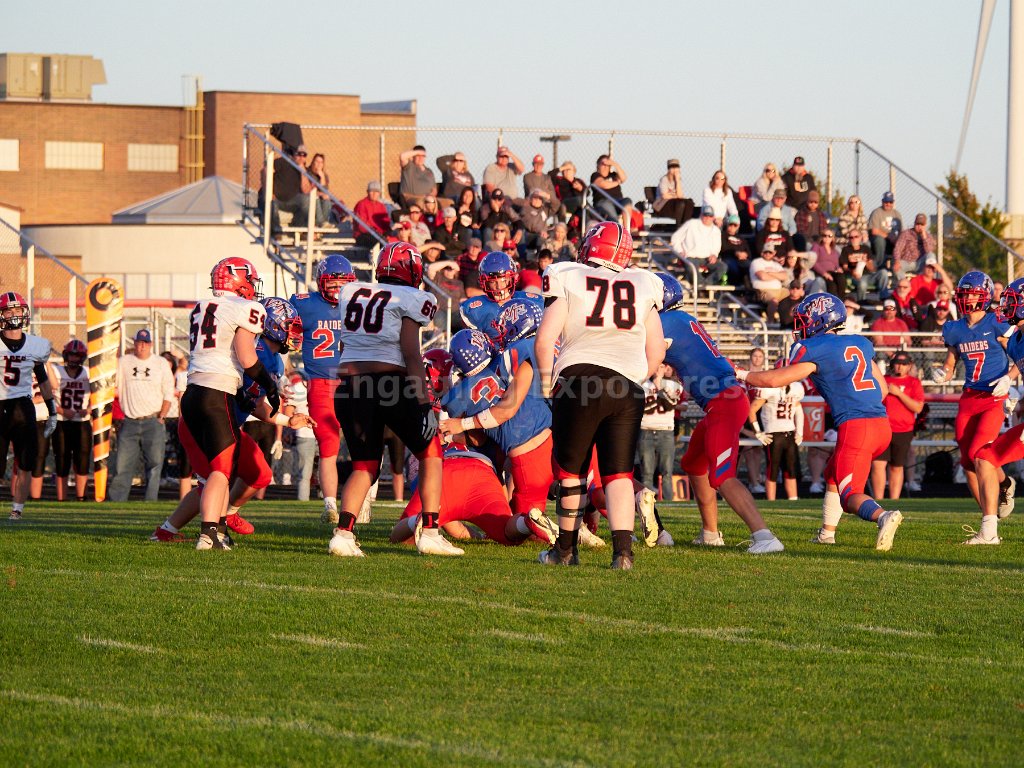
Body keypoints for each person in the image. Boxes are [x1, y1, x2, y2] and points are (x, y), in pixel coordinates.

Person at [535, 223, 665, 569]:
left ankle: (564, 551)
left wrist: (548, 386)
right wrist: (634, 377)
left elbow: (545, 340)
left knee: (571, 472)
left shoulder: (566, 274)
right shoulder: (644, 282)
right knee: (618, 473)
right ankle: (623, 554)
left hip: (579, 380)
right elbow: (657, 351)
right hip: (627, 386)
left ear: (591, 247)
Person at [739, 293, 904, 550]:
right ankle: (826, 534)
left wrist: (739, 373)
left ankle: (882, 516)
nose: (800, 327)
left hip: (856, 427)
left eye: (804, 321)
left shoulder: (816, 350)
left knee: (850, 496)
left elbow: (773, 380)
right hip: (881, 424)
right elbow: (882, 389)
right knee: (832, 474)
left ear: (820, 321)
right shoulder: (859, 343)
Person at [330, 241, 457, 557]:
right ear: (412, 270)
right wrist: (424, 402)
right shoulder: (412, 297)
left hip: (349, 386)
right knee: (431, 452)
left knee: (364, 465)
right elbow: (411, 353)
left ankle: (343, 535)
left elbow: (345, 346)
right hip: (389, 383)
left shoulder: (351, 292)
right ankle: (430, 532)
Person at [648, 275, 784, 551]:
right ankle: (710, 533)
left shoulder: (665, 322)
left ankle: (765, 537)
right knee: (694, 464)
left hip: (725, 401)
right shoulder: (681, 319)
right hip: (721, 402)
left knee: (722, 476)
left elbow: (647, 357)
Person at [177, 257, 277, 550]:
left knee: (216, 472)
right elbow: (247, 358)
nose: (253, 287)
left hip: (192, 393)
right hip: (217, 391)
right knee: (221, 471)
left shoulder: (201, 306)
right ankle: (208, 534)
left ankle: (218, 531)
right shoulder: (245, 307)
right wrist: (270, 385)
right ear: (240, 281)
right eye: (250, 281)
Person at [441, 303, 556, 519]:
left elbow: (500, 417)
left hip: (527, 454)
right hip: (557, 431)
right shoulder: (525, 353)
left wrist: (458, 427)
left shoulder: (460, 396)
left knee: (523, 520)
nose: (500, 333)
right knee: (585, 485)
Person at [932, 271, 1017, 524]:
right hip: (969, 397)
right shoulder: (954, 328)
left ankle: (997, 503)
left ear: (984, 296)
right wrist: (943, 373)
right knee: (967, 461)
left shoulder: (997, 322)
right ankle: (991, 511)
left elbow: (1021, 357)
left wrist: (1009, 379)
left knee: (979, 453)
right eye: (963, 294)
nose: (966, 299)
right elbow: (950, 363)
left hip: (993, 396)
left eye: (971, 294)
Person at [290, 255, 355, 524]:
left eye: (343, 284)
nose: (338, 289)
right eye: (333, 284)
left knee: (353, 446)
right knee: (330, 448)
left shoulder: (304, 304)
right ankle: (331, 505)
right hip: (329, 384)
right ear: (321, 282)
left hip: (348, 383)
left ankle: (349, 502)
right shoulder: (304, 303)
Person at [971, 277, 1024, 543]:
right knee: (984, 458)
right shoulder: (1015, 341)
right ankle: (988, 532)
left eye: (1011, 301)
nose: (1005, 306)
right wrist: (1014, 386)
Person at [0, 292, 56, 520]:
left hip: (23, 407)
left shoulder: (34, 344)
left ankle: (17, 511)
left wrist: (52, 411)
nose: (14, 314)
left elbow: (43, 379)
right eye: (9, 310)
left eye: (17, 310)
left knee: (25, 462)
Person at [109, 328, 174, 502]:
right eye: (139, 342)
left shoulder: (160, 363)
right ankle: (117, 502)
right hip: (130, 421)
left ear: (151, 344)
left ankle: (150, 501)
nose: (142, 346)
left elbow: (168, 391)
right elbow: (113, 382)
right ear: (134, 343)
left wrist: (162, 415)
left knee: (154, 465)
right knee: (123, 465)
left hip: (153, 420)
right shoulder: (124, 362)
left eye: (145, 343)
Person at [870, 351, 924, 501]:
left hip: (903, 430)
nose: (900, 367)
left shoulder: (914, 382)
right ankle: (878, 500)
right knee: (878, 464)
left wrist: (899, 393)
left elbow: (918, 407)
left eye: (904, 364)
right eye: (897, 364)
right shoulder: (884, 380)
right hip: (882, 429)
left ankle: (894, 500)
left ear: (909, 366)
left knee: (897, 466)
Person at [749, 365, 805, 501]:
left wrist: (800, 432)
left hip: (789, 433)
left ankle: (793, 500)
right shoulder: (768, 389)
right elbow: (751, 410)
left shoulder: (795, 388)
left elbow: (798, 409)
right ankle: (771, 502)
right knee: (772, 471)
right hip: (774, 434)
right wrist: (758, 432)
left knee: (791, 470)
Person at [459, 251, 541, 341]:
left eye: (503, 280)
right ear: (485, 283)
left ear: (513, 278)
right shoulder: (475, 309)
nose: (499, 286)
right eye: (492, 282)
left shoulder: (531, 302)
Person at [52, 339, 91, 502]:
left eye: (77, 355)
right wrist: (62, 410)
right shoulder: (56, 371)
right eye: (71, 355)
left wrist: (89, 409)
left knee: (82, 460)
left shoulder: (88, 373)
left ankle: (81, 497)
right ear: (66, 355)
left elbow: (100, 394)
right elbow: (47, 396)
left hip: (82, 422)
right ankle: (61, 499)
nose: (74, 358)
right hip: (61, 421)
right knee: (62, 459)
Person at [638, 363, 682, 501]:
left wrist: (659, 386)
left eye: (661, 366)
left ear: (666, 368)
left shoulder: (675, 385)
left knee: (667, 472)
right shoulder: (642, 385)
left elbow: (670, 405)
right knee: (646, 473)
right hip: (646, 430)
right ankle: (647, 502)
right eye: (656, 366)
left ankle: (669, 502)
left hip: (666, 431)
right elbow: (642, 408)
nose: (658, 369)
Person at [670, 204, 726, 286]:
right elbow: (675, 237)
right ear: (701, 215)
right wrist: (680, 250)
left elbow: (717, 246)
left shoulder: (716, 230)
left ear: (713, 217)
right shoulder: (691, 224)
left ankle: (705, 285)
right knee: (692, 268)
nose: (707, 218)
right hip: (691, 257)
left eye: (710, 216)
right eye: (705, 215)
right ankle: (701, 286)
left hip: (707, 259)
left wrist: (714, 255)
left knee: (722, 267)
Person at [282, 373, 317, 501]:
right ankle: (305, 500)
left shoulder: (325, 386)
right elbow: (288, 414)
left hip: (319, 433)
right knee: (306, 472)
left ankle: (325, 500)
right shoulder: (297, 388)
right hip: (307, 433)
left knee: (321, 470)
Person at [840, 229, 889, 301]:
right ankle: (861, 301)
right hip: (855, 277)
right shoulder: (846, 250)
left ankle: (884, 298)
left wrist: (866, 262)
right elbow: (844, 267)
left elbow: (872, 269)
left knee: (883, 272)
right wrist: (852, 272)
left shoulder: (866, 248)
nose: (853, 239)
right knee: (862, 282)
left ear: (860, 237)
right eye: (851, 237)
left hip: (869, 275)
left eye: (856, 237)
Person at [749, 243, 791, 317]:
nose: (768, 254)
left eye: (770, 252)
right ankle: (770, 321)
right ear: (762, 252)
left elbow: (784, 276)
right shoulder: (756, 262)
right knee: (774, 300)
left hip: (780, 290)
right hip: (764, 291)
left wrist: (769, 273)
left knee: (794, 295)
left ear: (774, 253)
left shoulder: (776, 264)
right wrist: (778, 276)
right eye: (766, 252)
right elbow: (763, 277)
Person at [589, 155, 633, 226]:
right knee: (610, 212)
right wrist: (617, 182)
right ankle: (617, 228)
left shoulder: (613, 175)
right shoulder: (595, 175)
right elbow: (603, 184)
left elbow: (623, 178)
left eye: (608, 164)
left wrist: (615, 164)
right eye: (603, 164)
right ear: (598, 165)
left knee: (627, 201)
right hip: (603, 201)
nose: (605, 166)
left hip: (618, 201)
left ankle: (626, 228)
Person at [867, 192, 904, 270]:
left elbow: (901, 231)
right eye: (886, 202)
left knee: (902, 241)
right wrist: (889, 237)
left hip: (894, 240)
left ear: (893, 202)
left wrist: (897, 240)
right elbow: (874, 231)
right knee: (880, 240)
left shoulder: (897, 214)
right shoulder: (877, 212)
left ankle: (897, 267)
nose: (888, 204)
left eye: (890, 202)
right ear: (882, 202)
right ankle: (878, 265)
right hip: (879, 240)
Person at [892, 213, 936, 277]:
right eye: (917, 224)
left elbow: (929, 251)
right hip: (907, 262)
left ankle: (928, 282)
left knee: (932, 256)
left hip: (920, 263)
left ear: (925, 225)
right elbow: (898, 248)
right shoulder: (906, 233)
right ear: (914, 224)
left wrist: (924, 237)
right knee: (896, 268)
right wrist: (897, 261)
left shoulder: (928, 236)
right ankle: (904, 282)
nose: (919, 226)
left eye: (922, 225)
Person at [654, 158, 694, 226]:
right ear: (669, 169)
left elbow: (680, 195)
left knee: (689, 203)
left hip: (674, 202)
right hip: (662, 204)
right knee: (681, 203)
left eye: (676, 167)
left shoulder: (678, 180)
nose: (674, 169)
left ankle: (685, 225)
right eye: (672, 167)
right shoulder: (664, 179)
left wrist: (677, 181)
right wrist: (676, 196)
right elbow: (665, 196)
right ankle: (679, 226)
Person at [351, 181, 390, 249]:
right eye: (372, 191)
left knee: (389, 241)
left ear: (379, 193)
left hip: (378, 235)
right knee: (380, 242)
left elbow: (385, 225)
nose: (374, 194)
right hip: (363, 235)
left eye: (376, 191)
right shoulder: (361, 204)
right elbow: (362, 226)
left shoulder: (381, 206)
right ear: (367, 192)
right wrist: (376, 232)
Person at [398, 145, 438, 209]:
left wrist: (431, 196)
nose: (421, 158)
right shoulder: (409, 167)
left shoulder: (429, 171)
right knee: (423, 203)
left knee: (448, 202)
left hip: (429, 199)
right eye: (418, 156)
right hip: (412, 198)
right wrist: (418, 151)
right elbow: (402, 156)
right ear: (413, 156)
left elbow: (434, 189)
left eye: (423, 156)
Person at [809, 228, 845, 298]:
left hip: (833, 272)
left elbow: (836, 263)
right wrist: (824, 273)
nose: (827, 238)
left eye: (829, 236)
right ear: (821, 237)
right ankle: (831, 302)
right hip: (821, 272)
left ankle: (841, 300)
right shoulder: (817, 246)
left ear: (833, 238)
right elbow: (813, 262)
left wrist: (838, 268)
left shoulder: (834, 250)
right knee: (832, 286)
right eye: (824, 235)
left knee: (841, 278)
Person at [720, 214, 752, 286]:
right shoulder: (722, 235)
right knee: (733, 267)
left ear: (738, 226)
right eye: (731, 224)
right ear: (727, 224)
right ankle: (736, 286)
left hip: (741, 259)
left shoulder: (741, 238)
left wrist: (745, 254)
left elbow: (748, 251)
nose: (732, 227)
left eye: (735, 225)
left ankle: (747, 286)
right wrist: (735, 253)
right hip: (728, 257)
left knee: (750, 266)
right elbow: (723, 249)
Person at [306, 152, 335, 228]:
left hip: (320, 200)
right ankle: (321, 223)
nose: (319, 164)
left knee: (327, 199)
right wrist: (321, 194)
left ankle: (322, 224)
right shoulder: (307, 173)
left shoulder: (324, 176)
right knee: (316, 198)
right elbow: (307, 190)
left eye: (321, 162)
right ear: (313, 162)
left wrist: (322, 177)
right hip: (308, 199)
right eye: (317, 161)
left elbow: (324, 191)